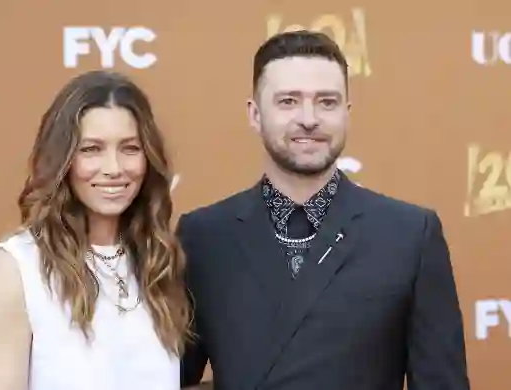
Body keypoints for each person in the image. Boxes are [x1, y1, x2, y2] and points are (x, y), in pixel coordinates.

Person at [177, 31, 470, 390]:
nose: (309, 118)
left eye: (326, 102)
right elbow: (168, 376)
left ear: (346, 114)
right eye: (288, 101)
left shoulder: (410, 235)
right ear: (255, 114)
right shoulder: (204, 236)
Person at [0, 70, 191, 390]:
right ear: (62, 159)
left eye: (130, 148)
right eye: (91, 149)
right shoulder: (17, 267)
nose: (114, 168)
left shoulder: (158, 262)